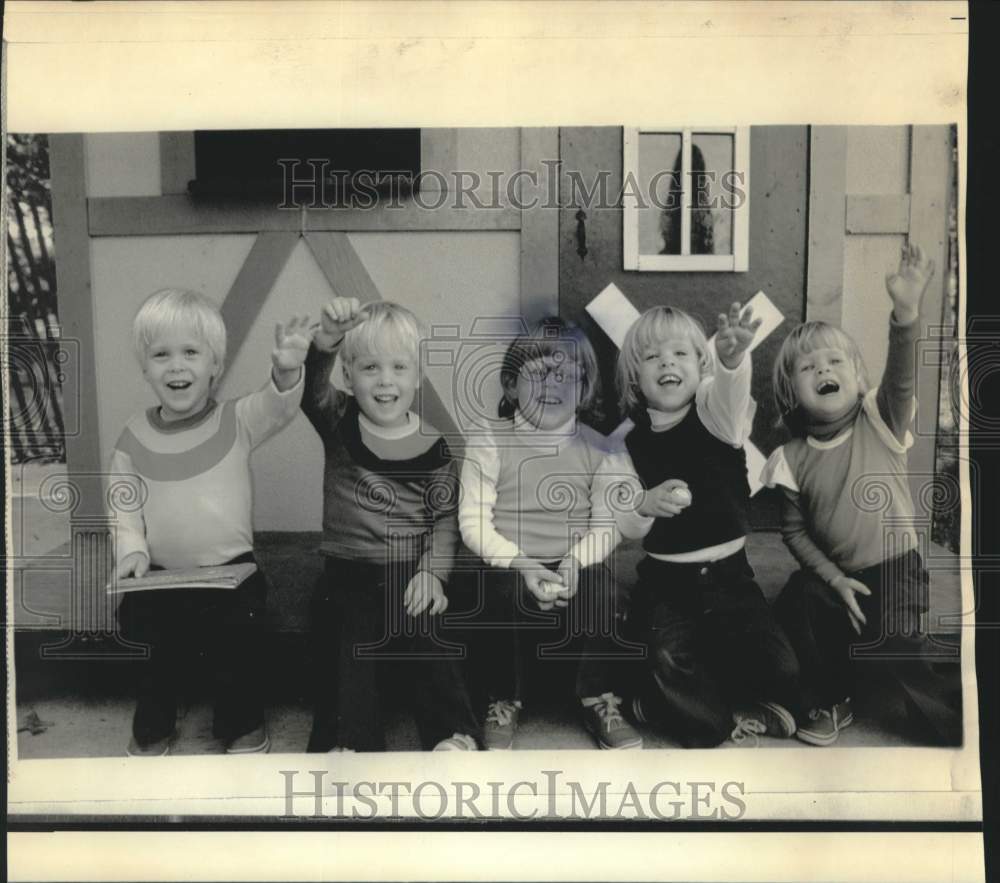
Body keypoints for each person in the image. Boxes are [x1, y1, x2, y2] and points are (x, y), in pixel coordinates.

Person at [764, 244, 961, 746]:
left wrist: (905, 313)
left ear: (857, 378)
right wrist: (832, 579)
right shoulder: (791, 455)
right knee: (797, 602)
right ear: (791, 389)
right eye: (808, 368)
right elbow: (794, 529)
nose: (823, 370)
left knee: (895, 637)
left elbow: (900, 376)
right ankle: (829, 699)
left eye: (835, 361)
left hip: (895, 565)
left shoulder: (880, 421)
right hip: (837, 574)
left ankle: (950, 723)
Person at [111, 288, 308, 756]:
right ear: (145, 367)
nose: (176, 366)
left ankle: (240, 721)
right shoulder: (132, 437)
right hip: (162, 576)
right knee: (142, 626)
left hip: (230, 572)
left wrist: (285, 370)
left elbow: (279, 405)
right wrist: (133, 551)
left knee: (238, 634)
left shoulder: (235, 420)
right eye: (161, 355)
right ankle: (155, 723)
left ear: (215, 364)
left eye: (191, 353)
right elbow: (123, 508)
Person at [604, 302, 802, 748]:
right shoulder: (626, 446)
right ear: (635, 377)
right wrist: (644, 504)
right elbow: (626, 524)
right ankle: (709, 717)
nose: (667, 363)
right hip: (666, 585)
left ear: (700, 366)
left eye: (680, 354)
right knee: (671, 659)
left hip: (733, 580)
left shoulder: (717, 417)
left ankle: (672, 703)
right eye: (652, 357)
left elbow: (730, 391)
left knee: (782, 667)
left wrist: (733, 360)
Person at [302, 297, 481, 753]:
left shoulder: (433, 445)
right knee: (350, 634)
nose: (386, 380)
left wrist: (433, 574)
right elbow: (310, 389)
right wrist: (326, 340)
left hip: (411, 570)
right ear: (347, 376)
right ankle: (351, 743)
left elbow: (445, 520)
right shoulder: (338, 419)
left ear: (417, 376)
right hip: (349, 570)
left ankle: (452, 736)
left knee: (430, 630)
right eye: (369, 368)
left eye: (399, 367)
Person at [456, 317, 643, 751]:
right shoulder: (489, 439)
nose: (551, 384)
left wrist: (574, 563)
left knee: (606, 592)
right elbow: (473, 523)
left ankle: (596, 695)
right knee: (492, 589)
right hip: (510, 565)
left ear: (584, 390)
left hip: (573, 564)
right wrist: (522, 564)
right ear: (510, 385)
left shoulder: (602, 448)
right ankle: (504, 696)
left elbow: (607, 524)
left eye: (566, 375)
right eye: (538, 372)